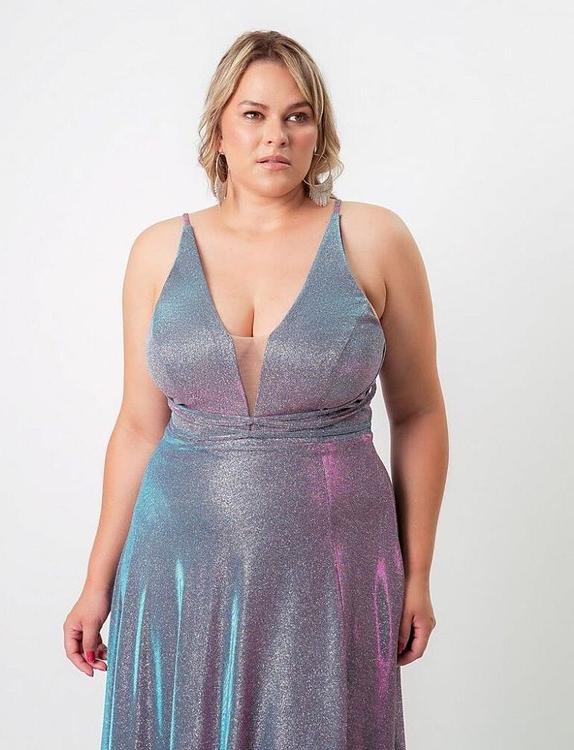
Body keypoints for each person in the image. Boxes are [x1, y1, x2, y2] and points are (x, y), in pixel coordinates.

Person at [63, 29, 448, 750]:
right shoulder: (156, 251)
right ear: (219, 130)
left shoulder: (374, 239)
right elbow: (139, 426)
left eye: (298, 116)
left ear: (318, 133)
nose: (277, 135)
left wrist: (417, 573)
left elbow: (420, 412)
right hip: (179, 566)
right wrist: (96, 582)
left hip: (331, 566)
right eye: (254, 114)